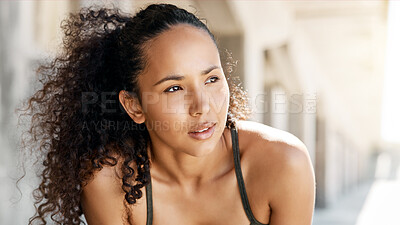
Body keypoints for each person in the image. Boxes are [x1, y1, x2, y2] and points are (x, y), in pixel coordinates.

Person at [20, 3, 315, 225]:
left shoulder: (283, 164)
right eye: (174, 88)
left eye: (211, 79)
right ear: (134, 106)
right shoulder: (110, 182)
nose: (202, 106)